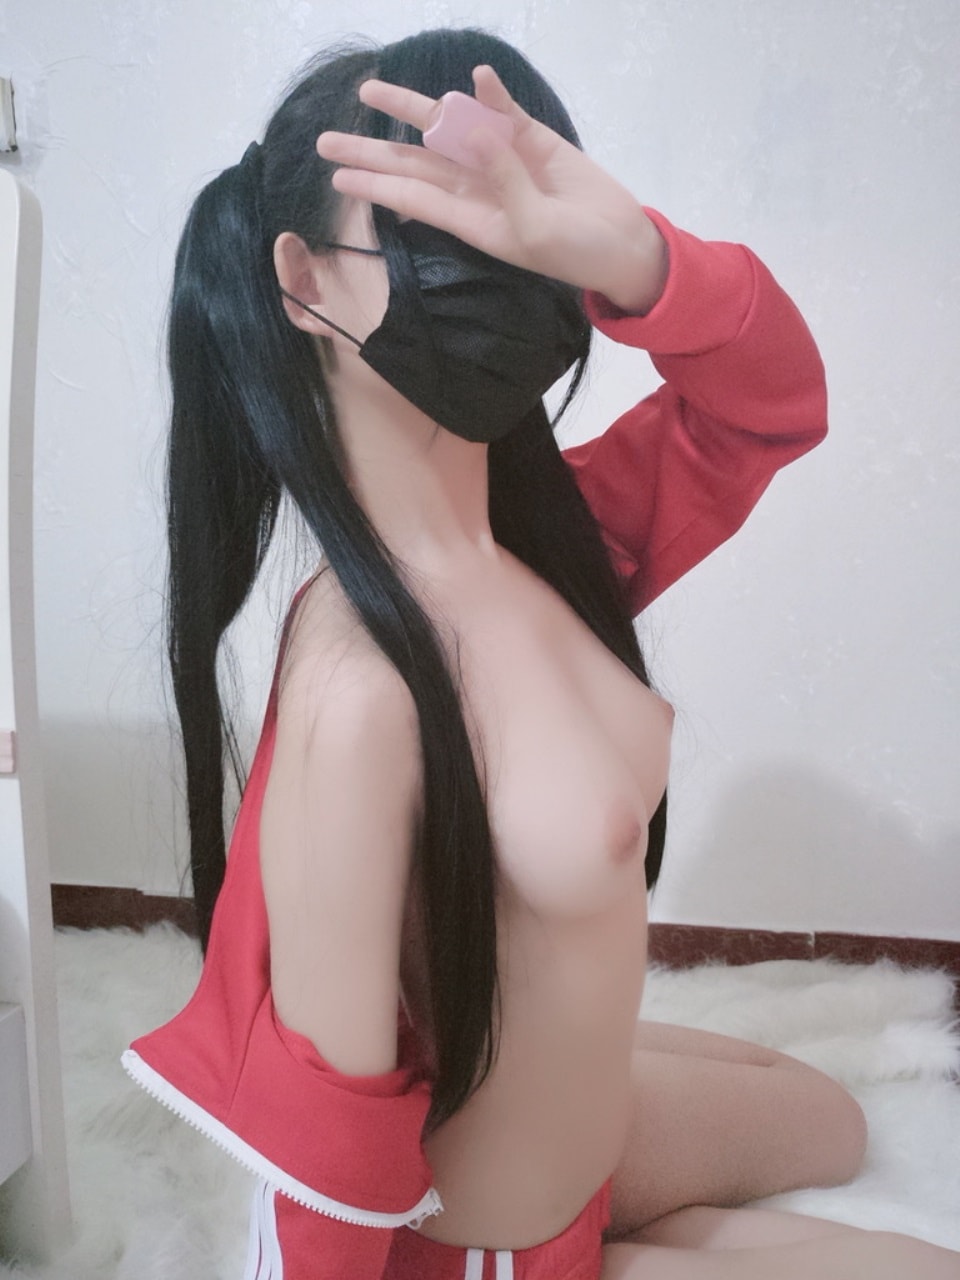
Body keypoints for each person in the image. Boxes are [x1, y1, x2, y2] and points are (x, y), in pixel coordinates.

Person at [123, 26, 960, 1280]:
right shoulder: (364, 691)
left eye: (514, 224)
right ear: (303, 280)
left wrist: (635, 257)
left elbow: (769, 403)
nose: (500, 262)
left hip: (595, 1136)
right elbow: (325, 1145)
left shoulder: (554, 546)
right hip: (492, 1247)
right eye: (436, 231)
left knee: (835, 1121)